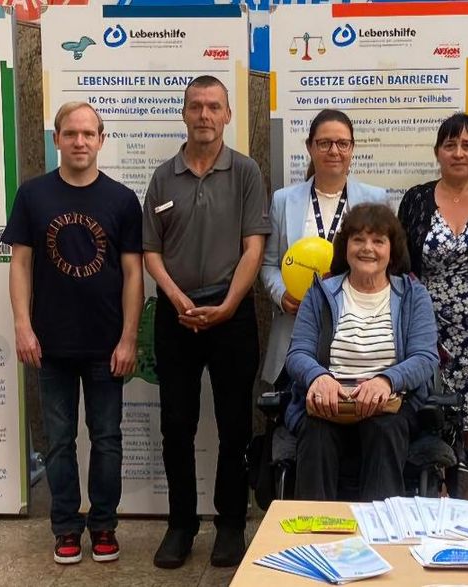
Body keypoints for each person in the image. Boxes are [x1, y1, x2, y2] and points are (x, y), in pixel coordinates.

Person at [2, 101, 143, 565]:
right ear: (56, 139)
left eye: (88, 134)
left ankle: (103, 525)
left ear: (101, 140)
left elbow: (133, 275)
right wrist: (22, 326)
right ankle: (65, 527)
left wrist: (128, 338)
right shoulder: (33, 195)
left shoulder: (122, 200)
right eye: (70, 134)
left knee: (107, 439)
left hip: (107, 346)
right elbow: (20, 263)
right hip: (50, 345)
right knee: (59, 442)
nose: (80, 142)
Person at [143, 75, 269, 570]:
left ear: (228, 115)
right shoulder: (162, 177)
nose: (204, 115)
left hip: (230, 316)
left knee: (235, 425)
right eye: (195, 106)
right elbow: (150, 251)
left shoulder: (245, 172)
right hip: (176, 317)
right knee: (176, 425)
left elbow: (253, 246)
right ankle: (180, 525)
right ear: (184, 113)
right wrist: (176, 300)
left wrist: (228, 305)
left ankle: (232, 525)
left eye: (213, 106)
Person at [285, 203, 439, 501]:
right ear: (345, 247)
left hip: (389, 404)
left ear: (392, 250)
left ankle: (377, 536)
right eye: (358, 239)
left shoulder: (412, 295)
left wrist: (385, 381)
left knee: (385, 429)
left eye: (378, 240)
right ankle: (314, 536)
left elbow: (425, 357)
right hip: (329, 402)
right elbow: (298, 353)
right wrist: (319, 377)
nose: (367, 248)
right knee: (316, 433)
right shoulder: (321, 292)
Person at [398, 113, 468, 501]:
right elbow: (399, 266)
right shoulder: (415, 199)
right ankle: (435, 510)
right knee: (428, 423)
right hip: (427, 336)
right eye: (450, 145)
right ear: (437, 152)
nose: (458, 153)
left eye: (467, 145)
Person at [260, 109, 387, 390]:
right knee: (292, 424)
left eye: (342, 143)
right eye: (324, 143)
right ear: (310, 147)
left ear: (352, 148)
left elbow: (387, 268)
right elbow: (269, 264)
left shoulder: (375, 199)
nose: (334, 151)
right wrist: (282, 296)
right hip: (296, 332)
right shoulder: (283, 200)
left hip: (357, 339)